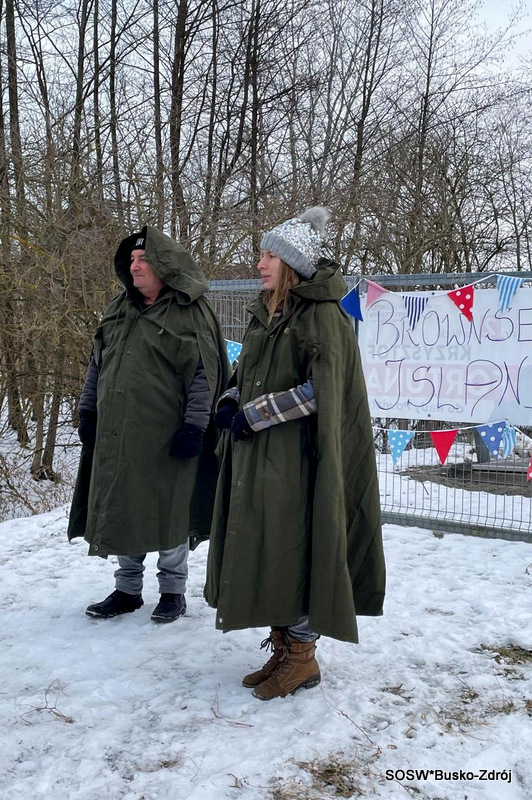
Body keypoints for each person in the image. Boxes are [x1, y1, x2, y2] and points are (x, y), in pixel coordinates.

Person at [204, 207, 385, 700]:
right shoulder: (268, 312)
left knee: (300, 547)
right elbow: (247, 373)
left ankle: (302, 657)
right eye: (261, 254)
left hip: (301, 462)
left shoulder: (323, 315)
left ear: (293, 264)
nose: (259, 263)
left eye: (269, 256)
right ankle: (284, 646)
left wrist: (254, 414)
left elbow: (322, 390)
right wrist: (230, 401)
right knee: (272, 547)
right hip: (262, 459)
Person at [68, 226, 230, 622]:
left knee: (170, 510)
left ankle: (173, 592)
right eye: (131, 260)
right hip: (118, 431)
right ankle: (127, 589)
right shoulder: (118, 308)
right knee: (125, 506)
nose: (134, 266)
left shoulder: (191, 311)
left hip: (168, 435)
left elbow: (204, 375)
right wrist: (87, 411)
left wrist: (194, 428)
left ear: (164, 265)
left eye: (143, 259)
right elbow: (97, 364)